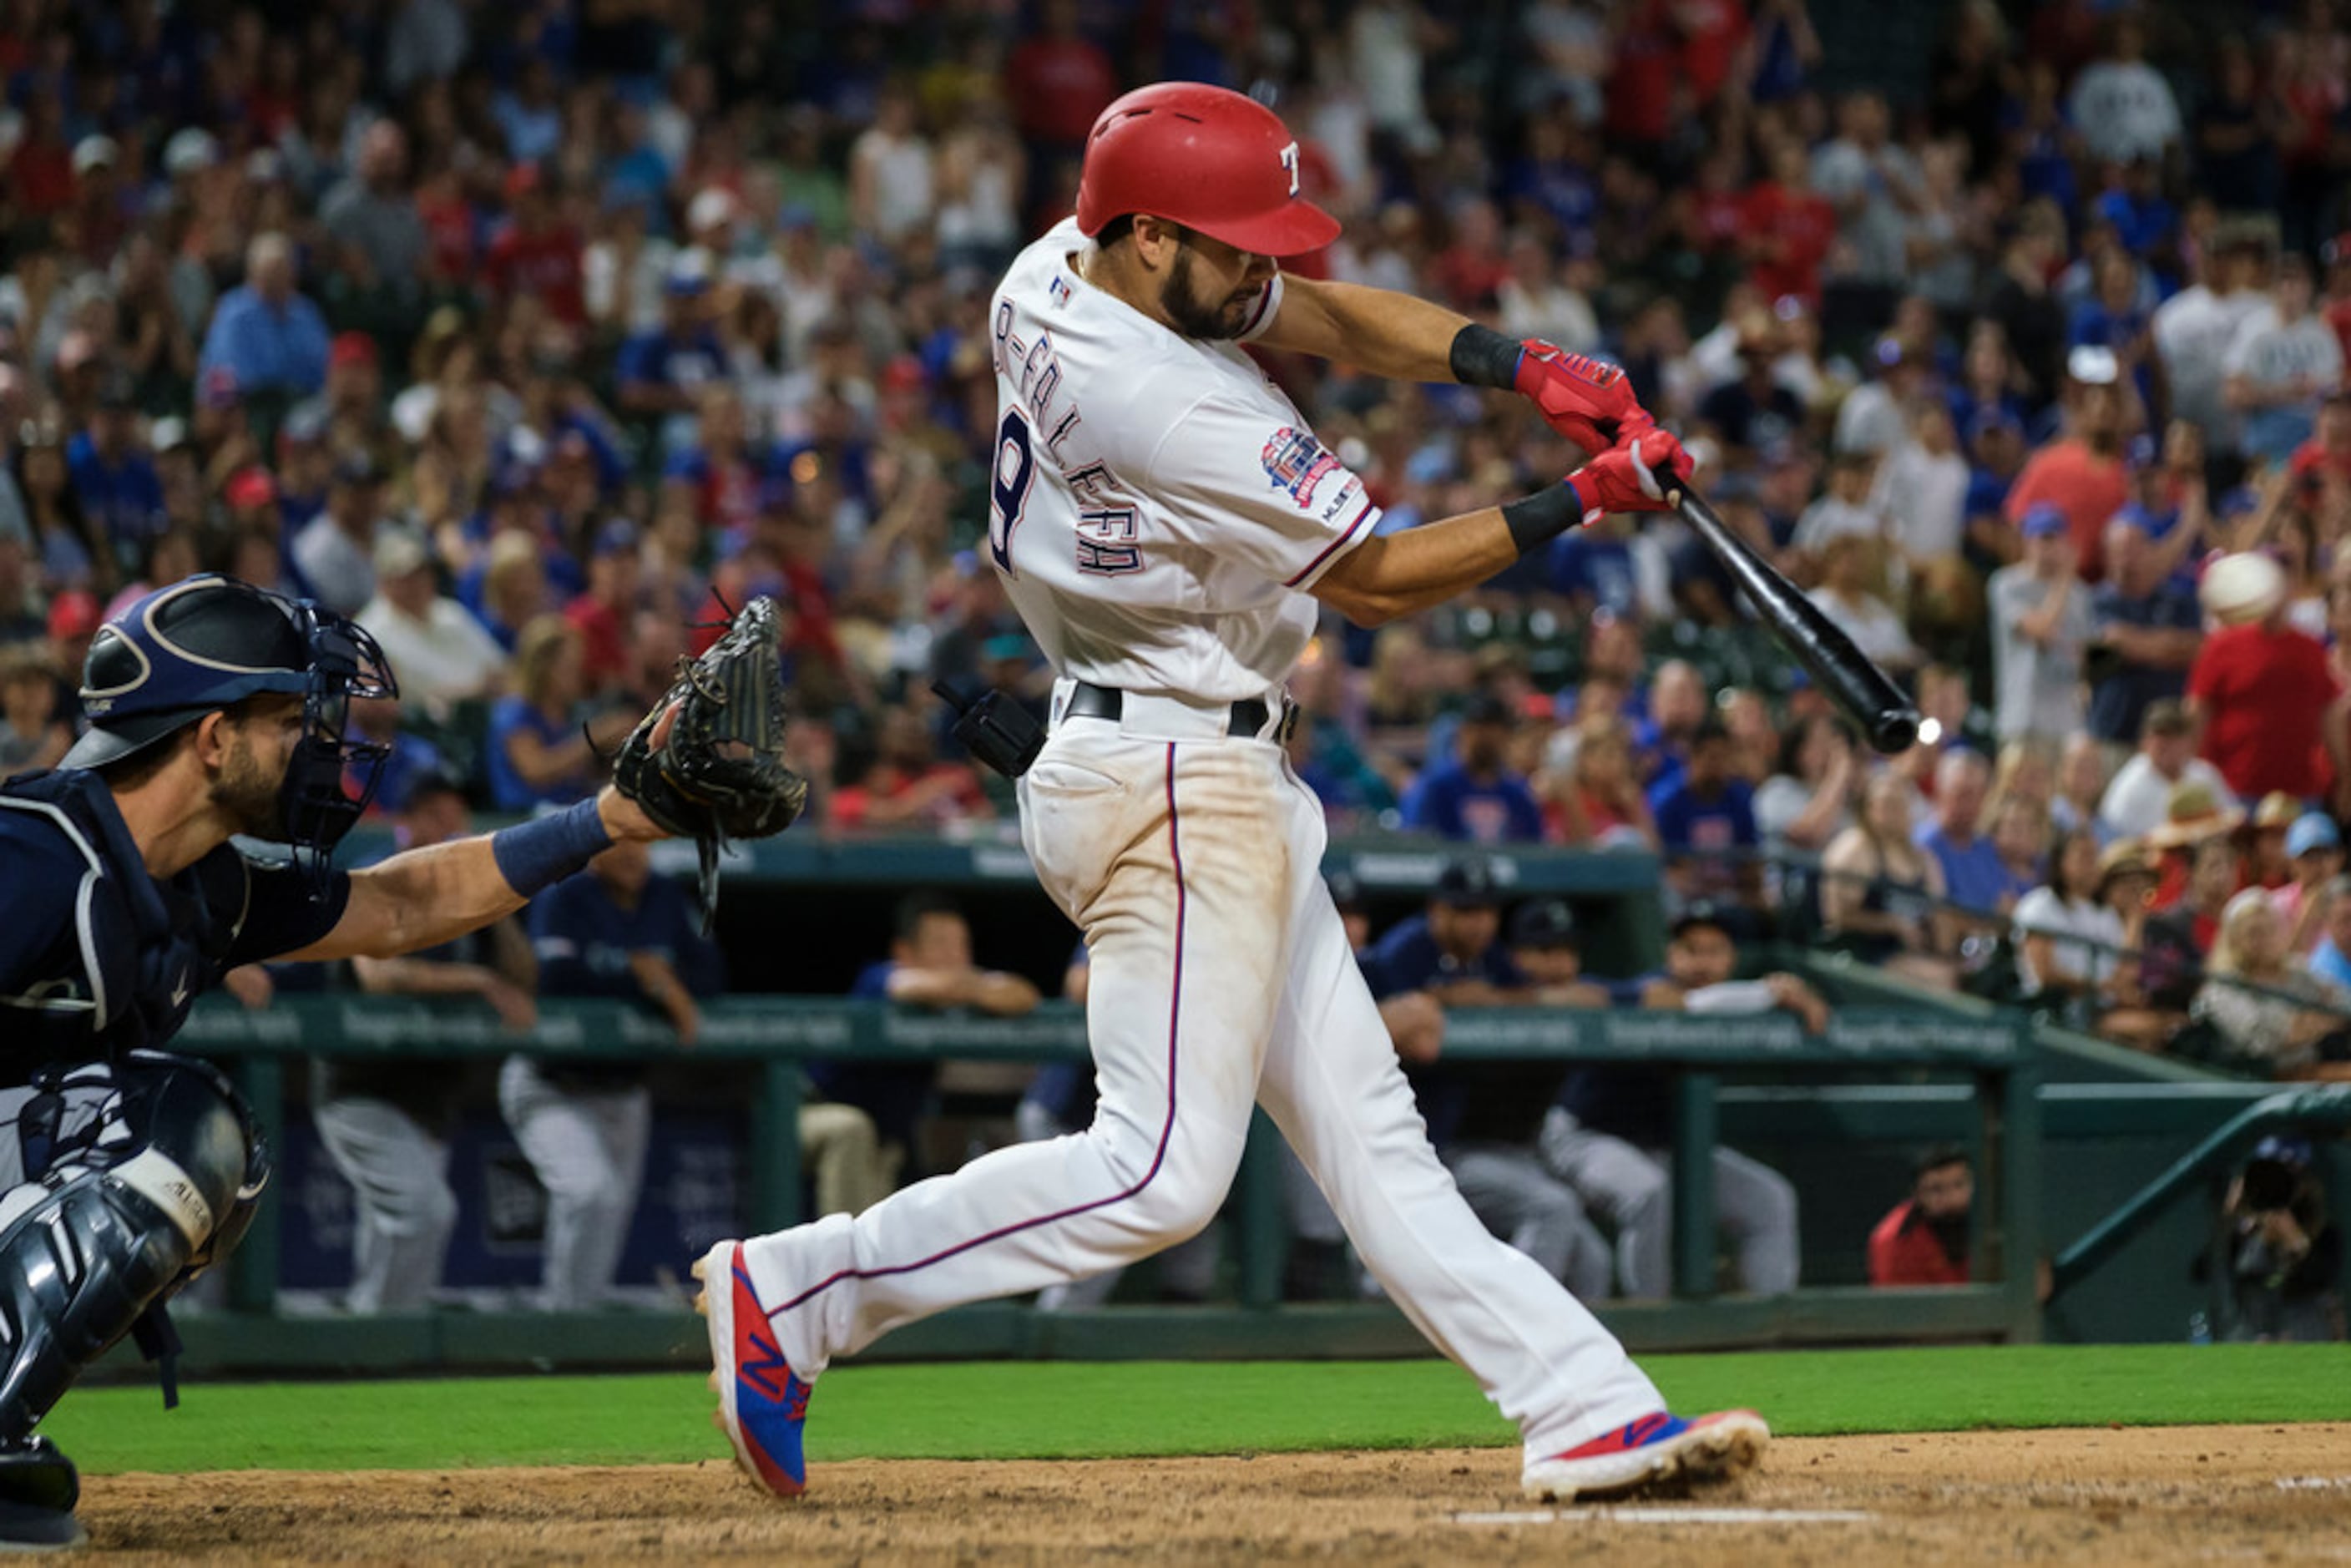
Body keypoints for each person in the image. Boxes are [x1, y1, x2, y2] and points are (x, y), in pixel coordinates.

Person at [695, 83, 1762, 1509]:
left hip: (1174, 747)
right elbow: (1376, 579)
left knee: (1374, 1148)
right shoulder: (1165, 397)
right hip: (1173, 777)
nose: (1265, 266)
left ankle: (1583, 1406)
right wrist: (1578, 497)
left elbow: (1320, 315)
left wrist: (1519, 364)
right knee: (1157, 1176)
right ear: (1145, 236)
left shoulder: (1056, 265)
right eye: (1234, 241)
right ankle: (803, 1287)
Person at [0, 574, 690, 1547]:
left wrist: (601, 823)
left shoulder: (202, 883)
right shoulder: (35, 855)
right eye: (292, 718)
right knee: (171, 1133)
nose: (322, 747)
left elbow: (401, 905)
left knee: (199, 1147)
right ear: (211, 738)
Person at [315, 771, 533, 1314]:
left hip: (430, 1098)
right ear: (407, 823)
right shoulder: (374, 876)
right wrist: (477, 982)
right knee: (425, 1212)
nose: (450, 829)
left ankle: (370, 1343)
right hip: (360, 1088)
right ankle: (387, 1345)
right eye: (436, 816)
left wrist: (498, 903)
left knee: (394, 1234)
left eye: (456, 819)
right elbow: (379, 977)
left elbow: (524, 976)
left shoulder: (464, 897)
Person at [1540, 905, 1815, 1302]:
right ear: (1671, 954)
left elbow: (1718, 1004)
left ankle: (1773, 1325)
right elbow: (1688, 1004)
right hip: (1588, 1137)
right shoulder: (1650, 991)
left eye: (1715, 949)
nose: (1703, 960)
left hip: (1665, 1147)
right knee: (1650, 1194)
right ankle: (1653, 1324)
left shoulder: (1736, 1006)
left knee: (1770, 1199)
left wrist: (1778, 995)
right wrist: (1769, 992)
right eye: (1691, 948)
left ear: (1732, 957)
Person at [1359, 869, 1611, 1302]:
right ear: (1437, 911)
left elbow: (1544, 997)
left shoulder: (1491, 959)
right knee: (1552, 1207)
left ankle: (1579, 1359)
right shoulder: (1404, 952)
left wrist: (1495, 999)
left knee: (1591, 1257)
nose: (1478, 923)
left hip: (1477, 1146)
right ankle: (1517, 1329)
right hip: (1414, 1148)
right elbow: (1415, 1037)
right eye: (1464, 911)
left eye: (1486, 911)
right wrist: (1442, 1000)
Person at [508, 837, 724, 1311]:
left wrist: (658, 981)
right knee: (590, 1193)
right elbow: (557, 978)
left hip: (625, 1090)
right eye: (617, 843)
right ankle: (561, 1324)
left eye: (639, 844)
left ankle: (576, 1329)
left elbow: (711, 977)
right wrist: (643, 977)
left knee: (608, 1217)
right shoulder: (565, 895)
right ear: (592, 850)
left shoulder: (664, 896)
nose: (630, 854)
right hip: (551, 1082)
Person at [818, 893, 1041, 1187]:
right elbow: (913, 986)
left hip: (888, 1141)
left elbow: (1024, 995)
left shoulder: (956, 993)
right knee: (854, 1133)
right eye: (941, 944)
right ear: (904, 952)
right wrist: (980, 987)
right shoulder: (877, 978)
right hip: (818, 1106)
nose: (956, 957)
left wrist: (973, 988)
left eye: (962, 945)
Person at [2189, 888, 2351, 1077]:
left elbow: (2343, 1003)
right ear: (2234, 940)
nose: (2266, 940)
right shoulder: (2223, 988)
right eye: (2254, 933)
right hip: (2262, 1077)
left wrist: (2311, 1024)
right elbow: (2261, 1042)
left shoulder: (2297, 971)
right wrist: (2308, 1025)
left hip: (2315, 1063)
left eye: (2272, 929)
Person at [1821, 771, 1957, 989]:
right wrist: (1892, 924)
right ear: (1868, 808)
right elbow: (1838, 917)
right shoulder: (1854, 849)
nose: (1895, 812)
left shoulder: (1922, 858)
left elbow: (1939, 912)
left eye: (1901, 804)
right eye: (1887, 804)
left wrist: (1946, 951)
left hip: (1913, 953)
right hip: (1864, 954)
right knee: (1938, 978)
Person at [2217, 1137, 2343, 1342]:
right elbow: (2209, 1274)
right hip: (2250, 1333)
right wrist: (2232, 1219)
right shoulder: (2243, 1231)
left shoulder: (2325, 1233)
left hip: (2303, 1332)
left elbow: (2317, 1281)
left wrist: (2296, 1244)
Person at [1987, 505, 2091, 744]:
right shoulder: (2006, 584)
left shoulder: (2081, 594)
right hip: (2022, 716)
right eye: (2043, 540)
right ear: (2027, 542)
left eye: (2055, 539)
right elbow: (2042, 630)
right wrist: (2064, 579)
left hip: (2068, 719)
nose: (2049, 548)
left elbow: (2086, 652)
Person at [1401, 693, 1545, 843]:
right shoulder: (1435, 787)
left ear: (1505, 737)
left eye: (1493, 733)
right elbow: (1414, 843)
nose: (1483, 739)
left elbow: (1534, 848)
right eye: (1476, 731)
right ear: (1462, 733)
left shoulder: (1516, 795)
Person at [2013, 826, 2126, 1010]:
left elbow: (2123, 973)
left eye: (2095, 856)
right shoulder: (2038, 906)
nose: (2092, 864)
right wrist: (2096, 988)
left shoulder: (2107, 915)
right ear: (2060, 862)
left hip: (2104, 1007)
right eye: (2083, 856)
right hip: (2056, 1009)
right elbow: (2045, 975)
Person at [2099, 701, 2240, 842]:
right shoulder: (2129, 788)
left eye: (2175, 736)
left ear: (2188, 741)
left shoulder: (2204, 774)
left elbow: (2232, 818)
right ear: (2145, 742)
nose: (2166, 744)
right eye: (2159, 736)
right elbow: (2114, 841)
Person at [1867, 1146, 1974, 1287]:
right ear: (1917, 1195)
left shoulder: (1992, 1220)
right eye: (1936, 1190)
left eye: (1960, 1185)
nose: (1953, 1199)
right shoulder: (1894, 1241)